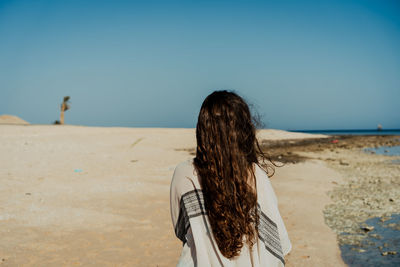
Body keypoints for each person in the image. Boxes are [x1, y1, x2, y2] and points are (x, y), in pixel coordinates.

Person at [170, 90, 291, 266]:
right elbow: (278, 243)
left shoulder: (184, 173)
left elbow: (181, 230)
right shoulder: (256, 176)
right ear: (244, 131)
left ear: (202, 129)